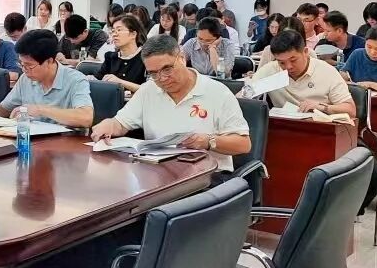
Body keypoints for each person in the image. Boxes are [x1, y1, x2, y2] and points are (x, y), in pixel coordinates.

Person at [90, 35, 250, 177]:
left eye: (167, 69)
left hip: (207, 177)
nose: (162, 78)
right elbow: (121, 124)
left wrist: (209, 141)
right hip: (158, 173)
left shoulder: (217, 92)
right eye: (153, 73)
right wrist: (109, 125)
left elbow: (243, 144)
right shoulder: (148, 90)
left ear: (182, 58)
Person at [0, 29, 92, 128]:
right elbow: (4, 109)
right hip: (31, 142)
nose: (24, 70)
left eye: (29, 65)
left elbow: (86, 117)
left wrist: (40, 110)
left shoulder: (75, 80)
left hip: (64, 147)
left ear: (49, 61)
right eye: (21, 64)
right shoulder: (26, 78)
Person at [252, 30, 358, 118]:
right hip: (283, 127)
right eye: (282, 63)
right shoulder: (271, 70)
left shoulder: (327, 72)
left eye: (293, 60)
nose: (288, 67)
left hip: (320, 128)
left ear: (305, 52)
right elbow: (246, 96)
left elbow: (351, 110)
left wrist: (322, 107)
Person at [95, 14, 147, 94]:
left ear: (133, 34)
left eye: (119, 30)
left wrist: (119, 82)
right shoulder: (110, 57)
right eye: (113, 31)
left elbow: (150, 90)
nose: (114, 34)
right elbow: (97, 81)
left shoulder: (147, 58)